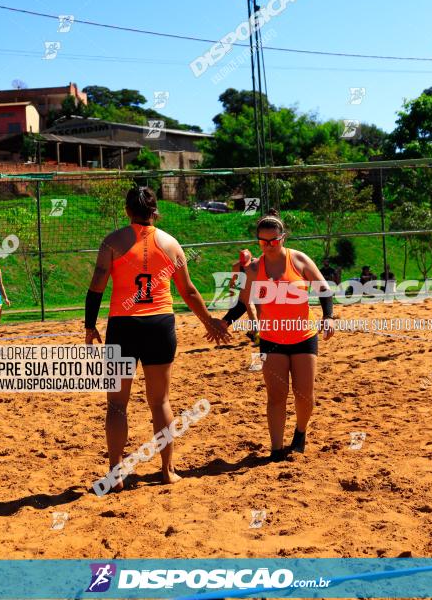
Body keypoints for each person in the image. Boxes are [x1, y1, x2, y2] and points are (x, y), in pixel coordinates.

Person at [84, 185, 230, 491]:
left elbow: (97, 285)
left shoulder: (112, 242)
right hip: (159, 325)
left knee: (116, 406)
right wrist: (210, 322)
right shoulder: (172, 244)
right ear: (155, 212)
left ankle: (115, 473)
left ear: (127, 211)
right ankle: (167, 470)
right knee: (161, 401)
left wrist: (89, 325)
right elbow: (188, 291)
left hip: (123, 326)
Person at [216, 210, 335, 460]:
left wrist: (328, 317)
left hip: (303, 335)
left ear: (283, 238)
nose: (268, 246)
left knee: (305, 394)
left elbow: (324, 289)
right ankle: (276, 449)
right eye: (262, 241)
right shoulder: (253, 269)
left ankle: (300, 433)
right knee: (276, 396)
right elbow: (242, 302)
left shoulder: (299, 260)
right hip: (271, 340)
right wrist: (224, 322)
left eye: (273, 240)